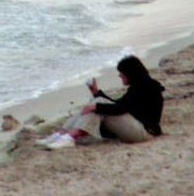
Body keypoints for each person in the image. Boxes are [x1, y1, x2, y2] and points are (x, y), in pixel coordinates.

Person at [37, 55, 165, 148]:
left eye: (122, 73)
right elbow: (118, 105)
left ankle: (70, 136)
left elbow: (120, 108)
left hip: (144, 133)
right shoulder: (140, 85)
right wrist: (96, 92)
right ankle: (62, 134)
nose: (120, 76)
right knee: (96, 103)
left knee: (96, 105)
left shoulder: (145, 87)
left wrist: (96, 106)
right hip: (137, 128)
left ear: (130, 73)